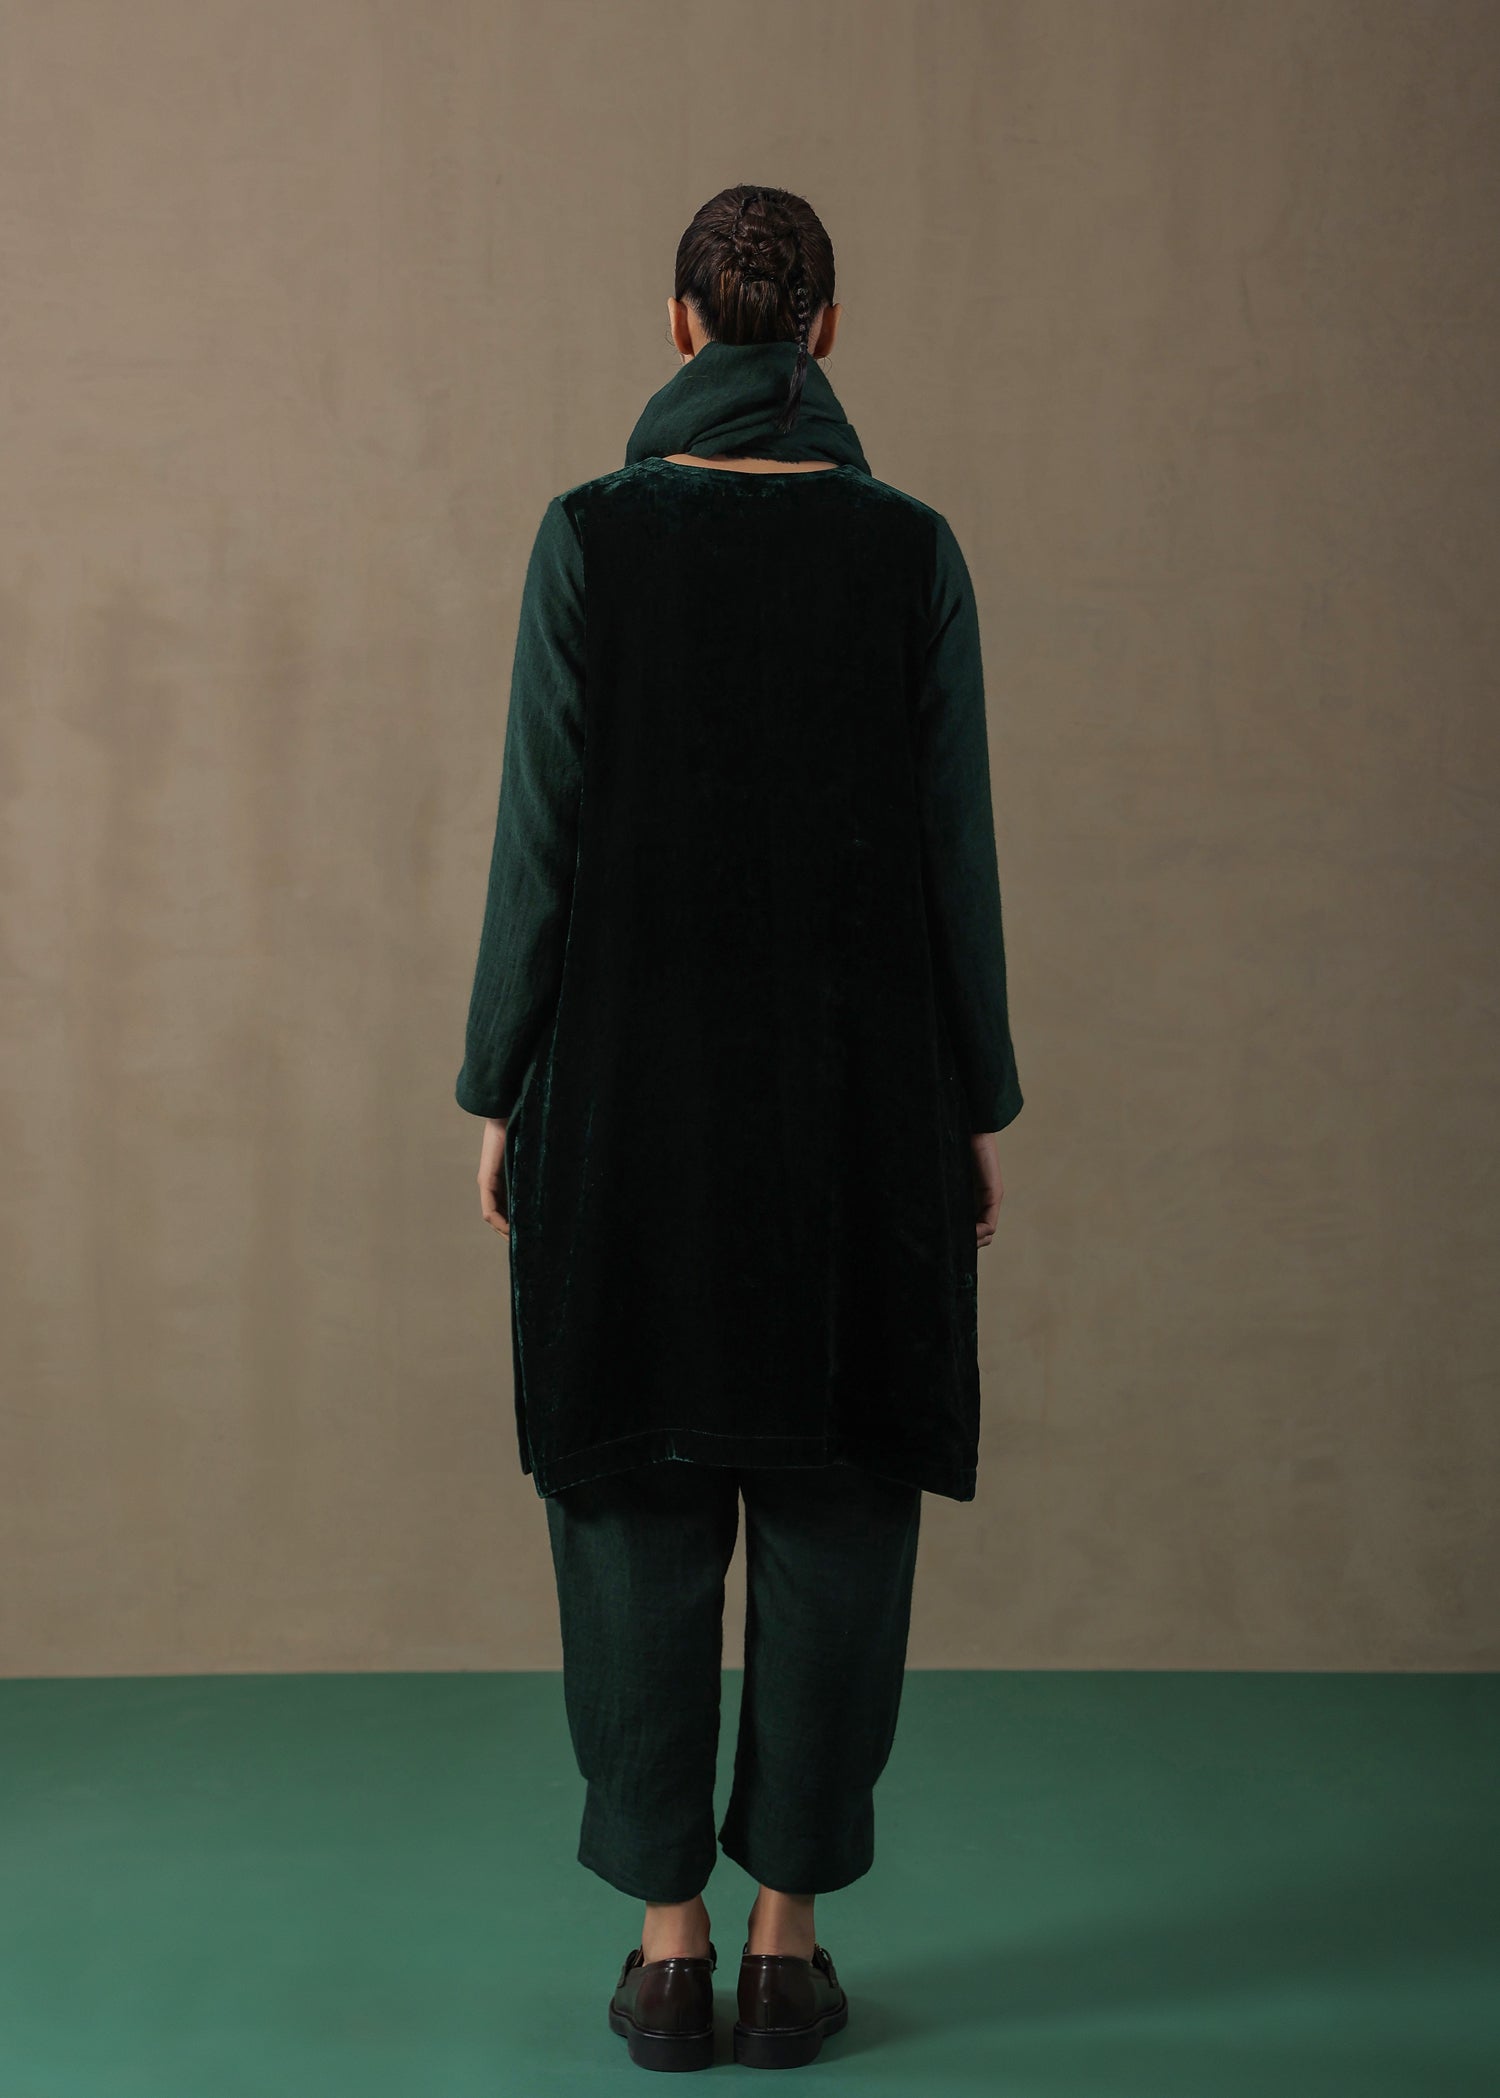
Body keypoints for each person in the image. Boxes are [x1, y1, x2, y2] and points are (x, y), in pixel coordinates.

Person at [455, 183, 1023, 2071]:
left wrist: (500, 1081)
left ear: (679, 322)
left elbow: (541, 838)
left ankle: (667, 1948)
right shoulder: (912, 551)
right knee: (841, 1500)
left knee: (634, 1499)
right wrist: (974, 1102)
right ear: (827, 332)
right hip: (863, 1107)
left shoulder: (590, 539)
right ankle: (791, 1947)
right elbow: (955, 859)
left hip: (630, 1100)